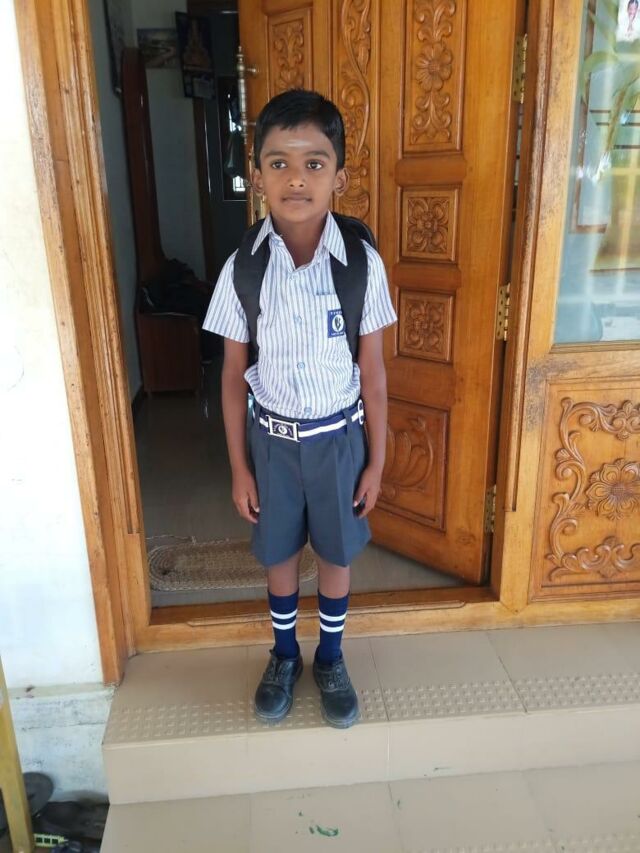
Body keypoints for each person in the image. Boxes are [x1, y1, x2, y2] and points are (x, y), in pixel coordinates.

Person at [202, 89, 396, 729]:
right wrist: (240, 467)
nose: (296, 179)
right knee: (279, 553)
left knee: (336, 556)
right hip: (273, 444)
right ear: (256, 175)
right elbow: (233, 374)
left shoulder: (360, 265)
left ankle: (330, 658)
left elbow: (373, 371)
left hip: (340, 443)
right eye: (278, 163)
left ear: (339, 176)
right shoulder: (243, 269)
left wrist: (376, 463)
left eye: (314, 163)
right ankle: (284, 654)